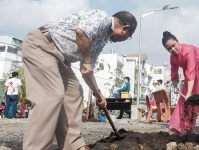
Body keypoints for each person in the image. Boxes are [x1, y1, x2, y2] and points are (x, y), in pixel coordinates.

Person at [22, 10, 136, 150]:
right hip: (42, 46)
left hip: (61, 59)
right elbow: (81, 32)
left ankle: (73, 145)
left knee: (75, 92)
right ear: (125, 29)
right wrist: (87, 62)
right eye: (128, 37)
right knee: (51, 95)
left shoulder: (101, 40)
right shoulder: (102, 18)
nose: (123, 40)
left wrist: (98, 94)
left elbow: (87, 71)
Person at [162, 31, 199, 138]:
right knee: (184, 100)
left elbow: (191, 73)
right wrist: (175, 86)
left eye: (174, 46)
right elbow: (174, 73)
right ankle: (182, 129)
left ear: (178, 41)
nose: (172, 49)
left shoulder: (188, 50)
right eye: (169, 49)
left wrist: (189, 93)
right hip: (193, 72)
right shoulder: (173, 57)